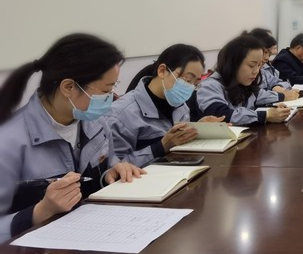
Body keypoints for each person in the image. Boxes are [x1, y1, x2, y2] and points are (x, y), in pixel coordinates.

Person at [0, 34, 144, 243]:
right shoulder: (9, 141)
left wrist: (111, 172)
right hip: (36, 253)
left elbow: (104, 165)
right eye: (106, 90)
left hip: (94, 238)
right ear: (68, 87)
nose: (112, 96)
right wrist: (40, 212)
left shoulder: (96, 123)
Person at [107, 44, 225, 167]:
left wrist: (198, 129)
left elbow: (179, 144)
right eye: (187, 80)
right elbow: (114, 168)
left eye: (195, 83)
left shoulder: (180, 105)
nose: (190, 88)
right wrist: (161, 147)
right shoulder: (122, 114)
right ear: (162, 71)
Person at [196, 35, 291, 125]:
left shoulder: (244, 83)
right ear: (233, 63)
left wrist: (277, 105)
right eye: (251, 65)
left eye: (259, 65)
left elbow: (261, 96)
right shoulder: (209, 86)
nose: (256, 71)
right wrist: (266, 116)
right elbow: (222, 115)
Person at [247, 29, 300, 104]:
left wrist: (276, 87)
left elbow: (283, 82)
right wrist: (281, 96)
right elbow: (254, 96)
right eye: (265, 52)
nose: (266, 58)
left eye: (269, 54)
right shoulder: (243, 71)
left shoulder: (262, 71)